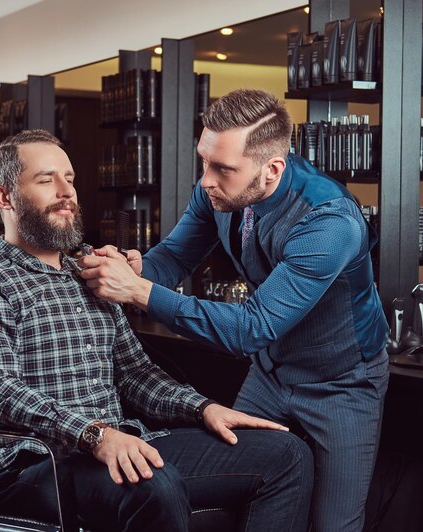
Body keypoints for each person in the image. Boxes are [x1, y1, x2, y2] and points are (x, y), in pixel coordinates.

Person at [0, 129, 313, 532]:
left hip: (120, 443)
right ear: (4, 197)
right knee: (153, 484)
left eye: (70, 179)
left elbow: (135, 373)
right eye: (47, 180)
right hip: (36, 464)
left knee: (286, 455)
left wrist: (203, 408)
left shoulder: (91, 274)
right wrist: (95, 436)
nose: (67, 191)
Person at [78, 89, 390, 532]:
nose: (206, 179)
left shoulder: (328, 221)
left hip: (340, 382)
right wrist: (136, 267)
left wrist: (140, 292)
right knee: (245, 496)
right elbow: (175, 256)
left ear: (272, 169)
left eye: (222, 168)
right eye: (204, 160)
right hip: (270, 373)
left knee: (332, 525)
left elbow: (251, 327)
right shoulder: (218, 188)